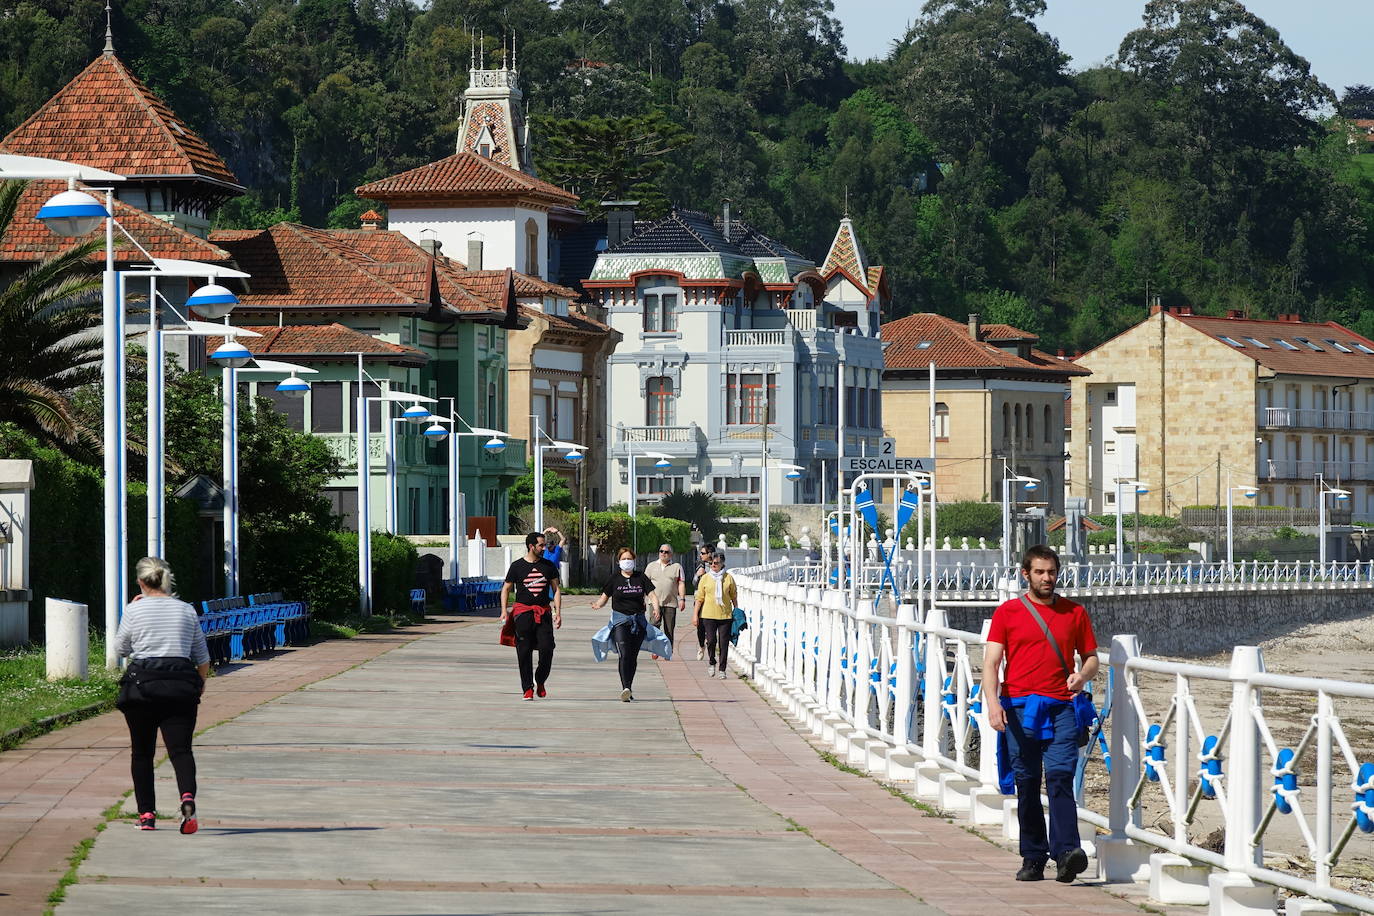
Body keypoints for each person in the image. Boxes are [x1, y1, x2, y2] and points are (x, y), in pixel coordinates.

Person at [983, 544, 1098, 884]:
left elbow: (1091, 657)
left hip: (1061, 705)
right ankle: (1033, 856)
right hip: (1018, 707)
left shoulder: (1074, 613)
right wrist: (993, 704)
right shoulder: (1008, 613)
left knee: (1061, 776)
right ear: (1026, 574)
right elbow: (991, 663)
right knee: (1028, 781)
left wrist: (1083, 675)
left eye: (1051, 572)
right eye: (1040, 572)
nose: (1047, 578)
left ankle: (1066, 853)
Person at [113, 557, 209, 834]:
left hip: (142, 689)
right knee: (181, 751)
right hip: (180, 689)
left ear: (141, 582)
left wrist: (134, 611)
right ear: (166, 579)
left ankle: (146, 815)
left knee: (142, 753)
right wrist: (199, 684)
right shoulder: (186, 610)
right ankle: (187, 798)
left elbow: (120, 649)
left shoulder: (135, 610)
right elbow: (202, 657)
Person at [591, 547, 661, 701]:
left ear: (634, 561)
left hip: (638, 621)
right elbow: (605, 597)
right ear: (618, 562)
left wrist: (656, 608)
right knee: (624, 654)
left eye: (629, 559)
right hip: (620, 621)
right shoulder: (614, 578)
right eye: (624, 559)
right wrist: (597, 604)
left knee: (632, 656)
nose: (627, 562)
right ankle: (625, 688)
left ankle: (629, 686)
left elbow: (652, 595)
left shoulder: (640, 577)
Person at [500, 532, 564, 700]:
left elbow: (556, 590)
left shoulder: (549, 566)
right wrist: (504, 611)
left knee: (547, 648)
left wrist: (558, 612)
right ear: (531, 546)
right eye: (541, 545)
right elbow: (506, 589)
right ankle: (527, 688)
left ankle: (540, 680)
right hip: (523, 614)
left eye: (544, 545)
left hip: (543, 612)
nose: (544, 548)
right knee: (524, 651)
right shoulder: (517, 566)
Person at [691, 550, 737, 680]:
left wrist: (737, 610)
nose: (713, 565)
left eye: (716, 563)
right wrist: (695, 615)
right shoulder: (705, 578)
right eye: (711, 563)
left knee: (723, 643)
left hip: (725, 615)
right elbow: (699, 598)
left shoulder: (728, 578)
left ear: (722, 564)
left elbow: (733, 596)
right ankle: (712, 661)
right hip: (708, 614)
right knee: (711, 641)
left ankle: (722, 669)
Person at [644, 544, 685, 653]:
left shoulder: (677, 567)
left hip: (670, 603)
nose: (663, 553)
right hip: (654, 602)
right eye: (661, 551)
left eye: (666, 552)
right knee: (654, 625)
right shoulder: (651, 566)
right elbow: (644, 584)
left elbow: (681, 583)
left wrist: (682, 599)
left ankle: (668, 649)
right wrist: (642, 599)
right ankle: (655, 648)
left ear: (671, 554)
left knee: (669, 628)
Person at [691, 543, 713, 661]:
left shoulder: (716, 565)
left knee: (710, 624)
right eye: (700, 553)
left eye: (703, 553)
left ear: (709, 554)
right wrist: (697, 575)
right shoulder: (700, 566)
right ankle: (701, 645)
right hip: (699, 599)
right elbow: (694, 583)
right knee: (700, 626)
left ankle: (710, 645)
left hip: (712, 600)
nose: (701, 555)